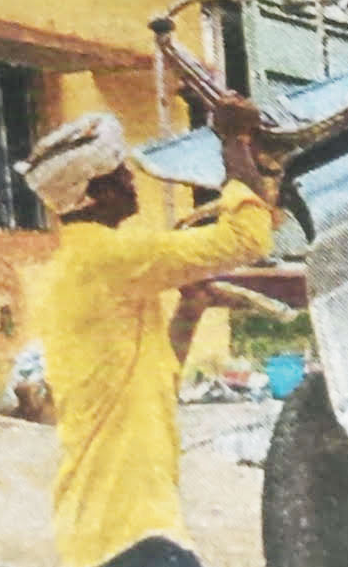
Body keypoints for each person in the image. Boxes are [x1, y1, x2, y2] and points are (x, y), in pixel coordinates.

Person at [23, 98, 275, 567]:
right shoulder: (111, 259)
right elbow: (249, 237)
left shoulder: (77, 269)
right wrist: (234, 142)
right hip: (133, 536)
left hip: (104, 537)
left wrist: (190, 309)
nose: (129, 179)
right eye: (119, 173)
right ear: (92, 194)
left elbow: (154, 379)